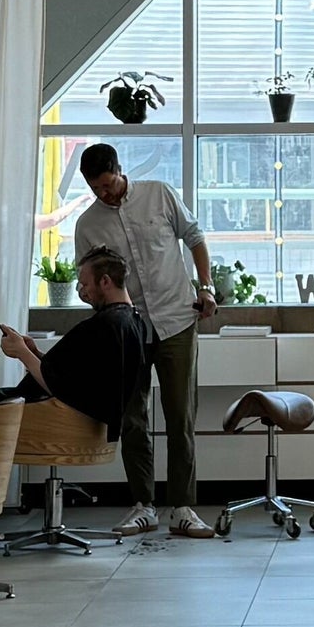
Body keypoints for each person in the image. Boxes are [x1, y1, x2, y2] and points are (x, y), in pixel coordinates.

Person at [68, 142, 216, 535]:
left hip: (176, 320)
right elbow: (89, 284)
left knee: (180, 415)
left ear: (120, 169)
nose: (104, 193)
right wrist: (91, 298)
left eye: (108, 183)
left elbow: (195, 237)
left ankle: (183, 507)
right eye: (95, 188)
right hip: (128, 330)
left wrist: (207, 288)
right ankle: (143, 505)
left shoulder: (159, 195)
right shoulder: (87, 225)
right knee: (133, 417)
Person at [0, 251, 181, 533]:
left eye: (84, 284)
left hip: (50, 419)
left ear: (105, 281)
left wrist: (23, 354)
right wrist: (36, 352)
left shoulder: (104, 326)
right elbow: (75, 378)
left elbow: (61, 388)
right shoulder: (131, 322)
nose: (81, 292)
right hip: (60, 412)